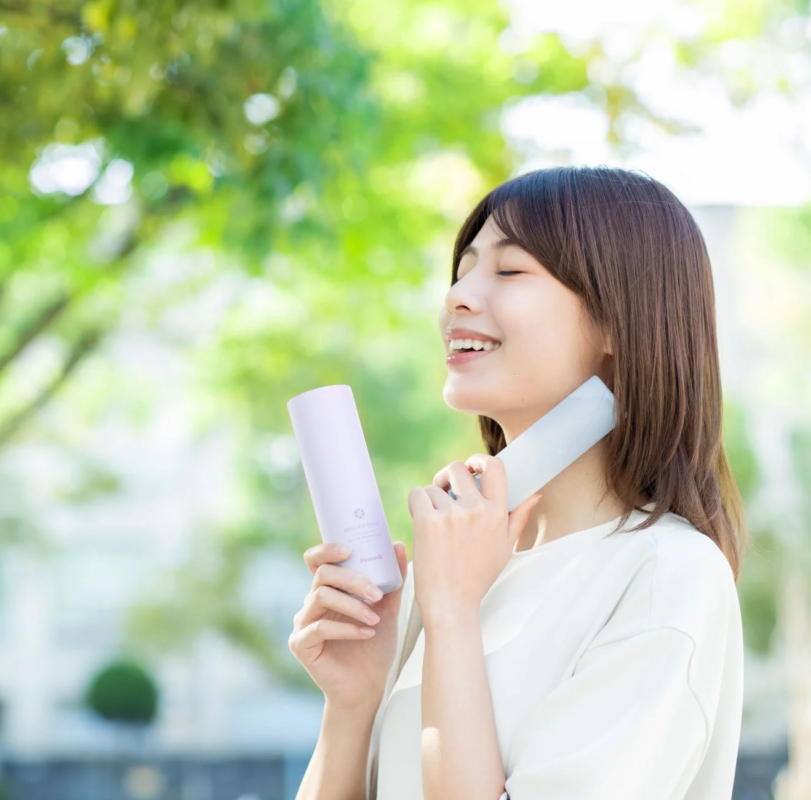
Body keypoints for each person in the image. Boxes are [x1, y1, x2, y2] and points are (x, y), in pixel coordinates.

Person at [289, 165, 747, 800]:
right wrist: (353, 702)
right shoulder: (452, 571)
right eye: (464, 269)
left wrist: (452, 616)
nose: (456, 297)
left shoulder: (666, 574)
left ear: (619, 321)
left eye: (509, 271)